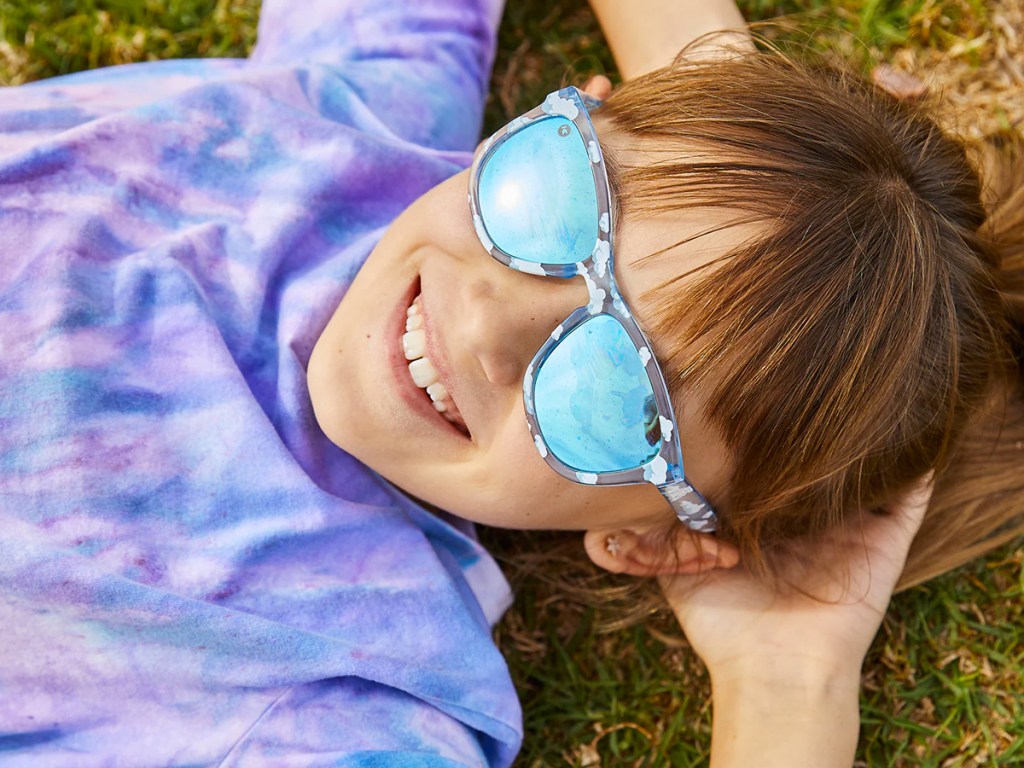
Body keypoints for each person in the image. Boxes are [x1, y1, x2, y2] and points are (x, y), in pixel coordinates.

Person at [0, 2, 1019, 767]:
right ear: (553, 117)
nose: (487, 323)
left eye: (610, 390)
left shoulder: (343, 690)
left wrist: (787, 680)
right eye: (555, 197)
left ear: (656, 540)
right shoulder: (367, 105)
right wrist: (728, 123)